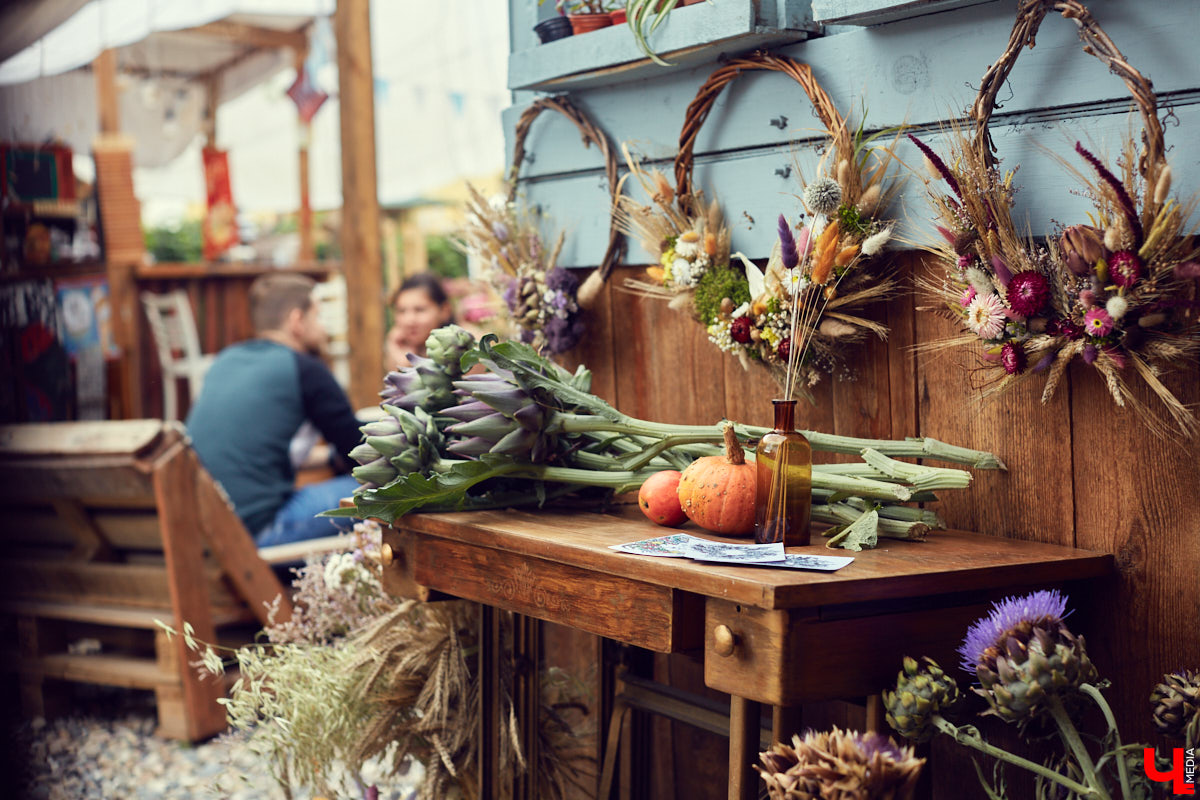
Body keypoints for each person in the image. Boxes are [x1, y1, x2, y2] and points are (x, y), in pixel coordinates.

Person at [186, 273, 362, 547]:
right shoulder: (306, 370)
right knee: (386, 491)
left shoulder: (224, 360)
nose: (324, 329)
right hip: (260, 532)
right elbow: (362, 457)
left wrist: (329, 459)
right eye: (318, 316)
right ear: (297, 321)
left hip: (206, 530)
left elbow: (251, 452)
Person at [385, 273, 453, 367]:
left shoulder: (464, 354)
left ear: (445, 311)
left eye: (420, 310)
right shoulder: (397, 350)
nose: (409, 321)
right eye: (401, 311)